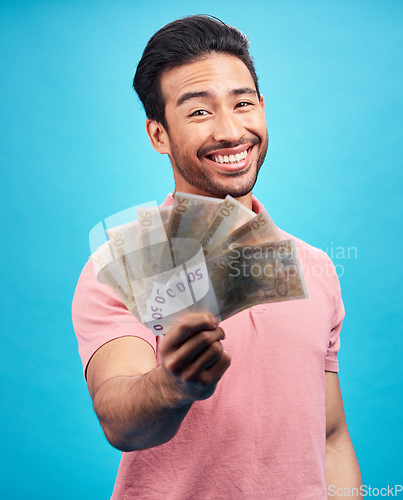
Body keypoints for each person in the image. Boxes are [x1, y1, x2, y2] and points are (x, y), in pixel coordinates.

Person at [72, 14, 361, 499]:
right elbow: (119, 419)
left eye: (243, 104)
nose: (231, 132)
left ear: (263, 108)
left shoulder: (316, 267)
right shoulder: (121, 264)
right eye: (199, 112)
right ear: (158, 135)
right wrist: (174, 386)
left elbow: (330, 436)